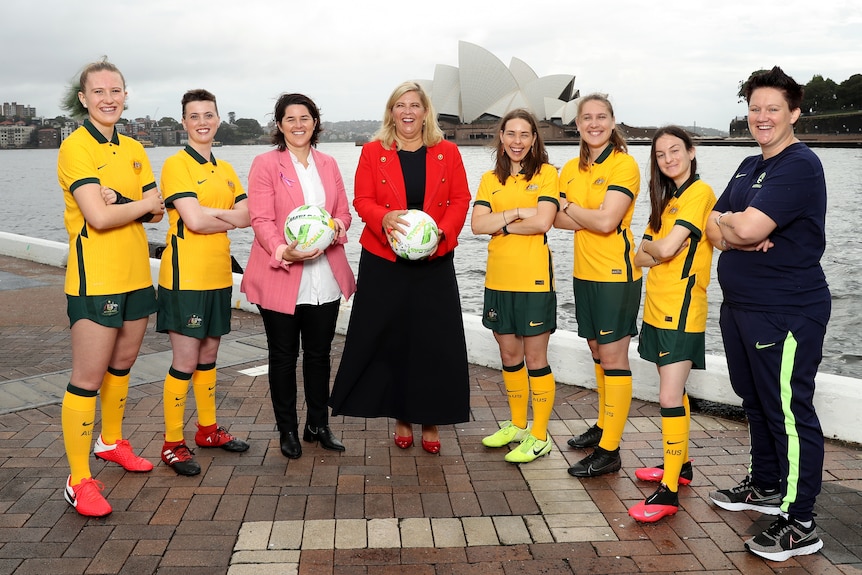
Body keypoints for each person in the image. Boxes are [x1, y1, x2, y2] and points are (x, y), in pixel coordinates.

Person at [705, 66, 830, 561]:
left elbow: (747, 228)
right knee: (755, 402)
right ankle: (766, 486)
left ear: (794, 112)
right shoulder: (748, 165)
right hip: (742, 309)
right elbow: (715, 227)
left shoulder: (799, 165)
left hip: (786, 311)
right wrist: (734, 227)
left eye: (772, 108)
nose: (762, 117)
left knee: (789, 413)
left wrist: (738, 227)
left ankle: (801, 522)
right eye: (755, 108)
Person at [329, 81, 471, 453]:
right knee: (392, 340)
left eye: (415, 105)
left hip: (433, 261)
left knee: (433, 342)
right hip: (385, 260)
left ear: (426, 112)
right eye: (400, 105)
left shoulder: (448, 152)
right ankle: (402, 416)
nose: (407, 112)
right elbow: (362, 199)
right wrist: (384, 216)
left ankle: (431, 418)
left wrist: (443, 234)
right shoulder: (374, 152)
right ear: (391, 112)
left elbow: (460, 199)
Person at [56, 58, 165, 517]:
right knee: (87, 379)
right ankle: (78, 479)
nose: (108, 98)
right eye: (98, 91)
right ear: (84, 99)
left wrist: (124, 200)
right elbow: (96, 220)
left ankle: (111, 441)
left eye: (115, 90)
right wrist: (136, 206)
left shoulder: (135, 147)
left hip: (137, 275)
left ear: (125, 95)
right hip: (94, 278)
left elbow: (158, 210)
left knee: (122, 366)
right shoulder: (75, 148)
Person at [241, 93, 356, 460]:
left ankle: (317, 425)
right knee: (283, 356)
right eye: (290, 119)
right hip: (282, 273)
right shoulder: (265, 163)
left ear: (315, 122)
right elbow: (261, 218)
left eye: (305, 118)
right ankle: (287, 430)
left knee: (320, 355)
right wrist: (282, 250)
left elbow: (344, 213)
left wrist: (334, 226)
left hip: (325, 275)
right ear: (279, 125)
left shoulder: (328, 163)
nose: (298, 125)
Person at [156, 89, 250, 476]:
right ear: (184, 123)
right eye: (194, 116)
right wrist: (221, 214)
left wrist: (207, 211)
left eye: (208, 115)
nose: (202, 122)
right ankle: (171, 443)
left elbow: (247, 217)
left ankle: (207, 430)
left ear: (217, 119)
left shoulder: (226, 169)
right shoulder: (176, 165)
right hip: (185, 277)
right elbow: (192, 223)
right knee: (185, 360)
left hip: (217, 273)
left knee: (210, 354)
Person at [627, 126, 716, 522]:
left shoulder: (699, 193)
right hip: (656, 306)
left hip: (681, 310)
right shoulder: (666, 200)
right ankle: (680, 466)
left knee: (667, 396)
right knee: (673, 393)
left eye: (675, 150)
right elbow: (639, 259)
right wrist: (653, 250)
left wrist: (652, 247)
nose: (668, 159)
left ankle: (668, 494)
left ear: (691, 151)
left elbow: (657, 249)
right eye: (661, 154)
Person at [554, 93, 641, 478]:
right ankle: (605, 425)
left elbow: (607, 223)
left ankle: (610, 450)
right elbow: (555, 221)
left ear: (612, 121)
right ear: (577, 123)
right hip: (583, 272)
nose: (594, 123)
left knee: (613, 357)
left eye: (601, 117)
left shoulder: (625, 165)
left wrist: (572, 208)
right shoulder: (570, 167)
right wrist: (589, 215)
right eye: (586, 117)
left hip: (615, 276)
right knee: (596, 350)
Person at [471, 109, 560, 464]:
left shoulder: (548, 174)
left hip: (534, 280)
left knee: (536, 358)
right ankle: (518, 425)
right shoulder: (490, 179)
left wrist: (502, 224)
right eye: (511, 134)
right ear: (502, 138)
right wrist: (515, 213)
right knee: (509, 356)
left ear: (534, 139)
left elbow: (543, 222)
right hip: (498, 280)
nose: (518, 141)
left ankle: (539, 436)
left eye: (525, 135)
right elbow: (477, 224)